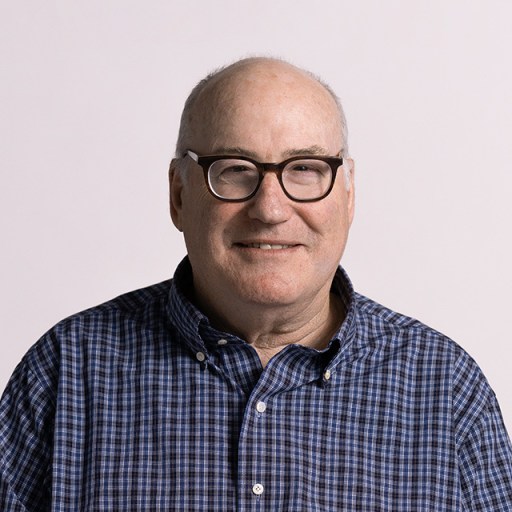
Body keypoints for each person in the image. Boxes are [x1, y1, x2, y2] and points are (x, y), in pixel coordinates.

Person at [1, 57, 511, 511]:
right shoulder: (65, 374)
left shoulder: (446, 391)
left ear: (348, 196)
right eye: (235, 171)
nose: (270, 208)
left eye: (306, 169)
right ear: (179, 195)